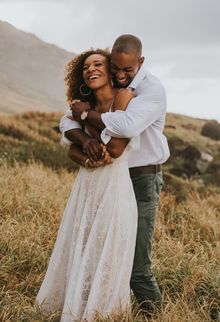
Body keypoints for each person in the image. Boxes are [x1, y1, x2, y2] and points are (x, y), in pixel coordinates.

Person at [60, 34, 170, 312]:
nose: (120, 74)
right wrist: (83, 143)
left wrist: (85, 117)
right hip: (106, 182)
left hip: (141, 177)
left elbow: (124, 132)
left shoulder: (148, 90)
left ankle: (153, 315)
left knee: (135, 263)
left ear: (140, 62)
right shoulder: (103, 92)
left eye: (127, 70)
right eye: (116, 68)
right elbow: (66, 123)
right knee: (99, 251)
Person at [36, 49, 138, 322]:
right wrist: (85, 147)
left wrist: (84, 122)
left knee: (108, 246)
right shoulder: (80, 104)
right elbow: (70, 148)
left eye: (98, 64)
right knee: (81, 241)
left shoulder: (124, 98)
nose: (90, 69)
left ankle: (100, 312)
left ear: (111, 70)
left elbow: (115, 149)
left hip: (114, 187)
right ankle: (74, 306)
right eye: (85, 66)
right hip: (86, 185)